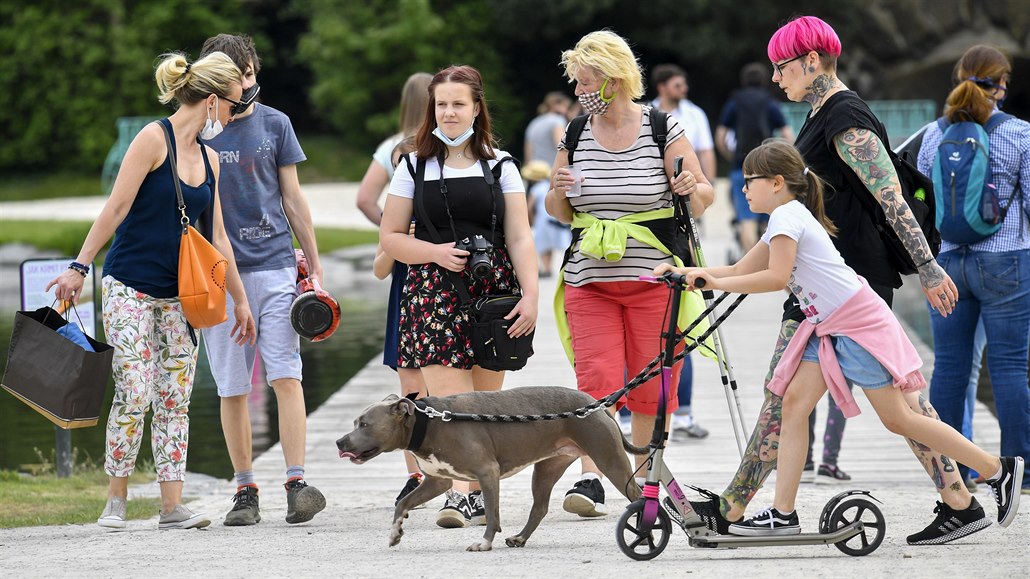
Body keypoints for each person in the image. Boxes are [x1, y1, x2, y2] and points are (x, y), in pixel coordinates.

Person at [685, 16, 990, 547]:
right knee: (817, 400)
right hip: (824, 286)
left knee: (895, 408)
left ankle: (973, 486)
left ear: (811, 61)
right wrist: (724, 272)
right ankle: (959, 500)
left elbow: (890, 197)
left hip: (847, 288)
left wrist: (929, 267)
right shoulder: (819, 114)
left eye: (783, 68)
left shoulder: (846, 118)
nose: (777, 79)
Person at [656, 140, 1024, 536]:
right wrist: (692, 273)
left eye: (750, 181)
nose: (743, 189)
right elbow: (742, 268)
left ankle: (996, 469)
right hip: (827, 325)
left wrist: (710, 280)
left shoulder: (787, 218)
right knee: (794, 405)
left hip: (855, 323)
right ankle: (783, 515)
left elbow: (775, 278)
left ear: (777, 182)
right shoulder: (785, 217)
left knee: (899, 417)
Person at [47, 51, 256, 530]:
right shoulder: (152, 140)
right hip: (129, 286)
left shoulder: (212, 158)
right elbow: (116, 208)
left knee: (175, 398)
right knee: (135, 391)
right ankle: (115, 501)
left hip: (181, 297)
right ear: (209, 102)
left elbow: (219, 238)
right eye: (231, 106)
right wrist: (80, 266)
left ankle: (171, 507)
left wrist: (241, 300)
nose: (233, 115)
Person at [546, 30, 714, 517]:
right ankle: (592, 480)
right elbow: (559, 211)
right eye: (576, 83)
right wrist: (556, 192)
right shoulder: (574, 133)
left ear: (614, 78)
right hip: (588, 281)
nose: (579, 91)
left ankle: (644, 481)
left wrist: (689, 186)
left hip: (654, 280)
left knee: (652, 383)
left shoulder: (663, 128)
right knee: (595, 380)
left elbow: (703, 197)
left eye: (585, 81)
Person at [380, 64, 539, 529]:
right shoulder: (412, 165)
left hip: (494, 295)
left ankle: (474, 491)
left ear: (476, 108)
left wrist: (529, 295)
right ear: (431, 109)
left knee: (486, 408)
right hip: (432, 295)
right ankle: (465, 496)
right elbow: (390, 237)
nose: (449, 112)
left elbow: (521, 237)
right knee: (452, 407)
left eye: (458, 104)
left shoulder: (502, 165)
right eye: (441, 104)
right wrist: (433, 252)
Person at [197, 33, 325, 527]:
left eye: (252, 72)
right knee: (231, 386)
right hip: (219, 276)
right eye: (238, 76)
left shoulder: (276, 123)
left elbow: (293, 198)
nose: (248, 84)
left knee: (285, 375)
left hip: (274, 266)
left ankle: (296, 481)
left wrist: (314, 265)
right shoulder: (198, 134)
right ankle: (245, 489)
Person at [916, 44, 1030, 494]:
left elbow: (922, 202)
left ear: (959, 77)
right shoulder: (1019, 133)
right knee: (1009, 368)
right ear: (1002, 83)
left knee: (949, 367)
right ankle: (1020, 470)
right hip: (1006, 262)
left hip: (946, 264)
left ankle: (952, 472)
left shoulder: (933, 134)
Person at [355, 72, 433, 505]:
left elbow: (365, 198)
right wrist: (396, 231)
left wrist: (392, 226)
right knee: (421, 373)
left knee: (412, 372)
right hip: (417, 264)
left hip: (414, 266)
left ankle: (418, 472)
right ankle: (431, 467)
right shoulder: (417, 149)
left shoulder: (393, 146)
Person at [649, 63, 716, 439]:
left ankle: (684, 411)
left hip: (685, 209)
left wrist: (700, 195)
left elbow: (704, 158)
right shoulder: (649, 117)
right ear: (662, 86)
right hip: (655, 221)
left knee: (681, 320)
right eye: (678, 82)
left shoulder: (695, 115)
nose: (684, 86)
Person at [715, 62, 794, 255]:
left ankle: (751, 267)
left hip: (740, 166)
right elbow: (788, 136)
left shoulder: (734, 103)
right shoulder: (770, 103)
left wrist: (731, 156)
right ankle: (770, 263)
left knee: (746, 219)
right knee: (769, 218)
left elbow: (720, 136)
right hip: (767, 167)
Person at [356, 72, 434, 226]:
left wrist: (394, 228)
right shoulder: (446, 143)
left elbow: (364, 200)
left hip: (405, 241)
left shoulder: (390, 147)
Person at [524, 92, 571, 166]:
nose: (567, 111)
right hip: (551, 171)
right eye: (565, 106)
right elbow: (561, 147)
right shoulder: (558, 121)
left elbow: (528, 153)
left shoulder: (534, 123)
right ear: (556, 105)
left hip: (535, 172)